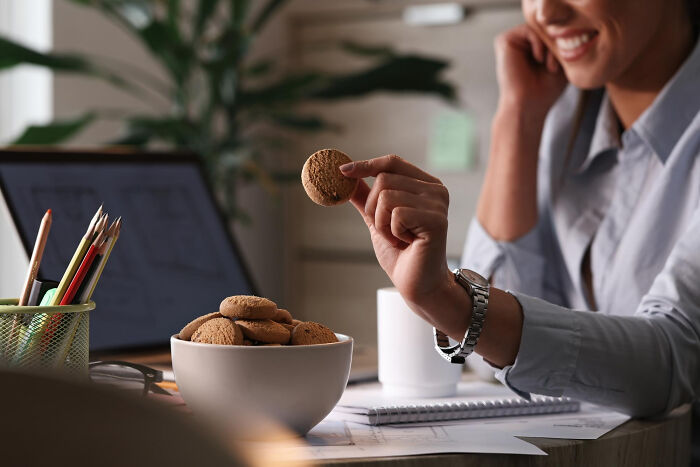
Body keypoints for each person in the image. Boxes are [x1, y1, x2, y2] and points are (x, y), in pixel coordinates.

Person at [339, 0, 700, 417]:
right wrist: (517, 118)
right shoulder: (558, 119)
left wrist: (453, 304)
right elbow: (488, 359)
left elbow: (671, 361)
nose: (545, 12)